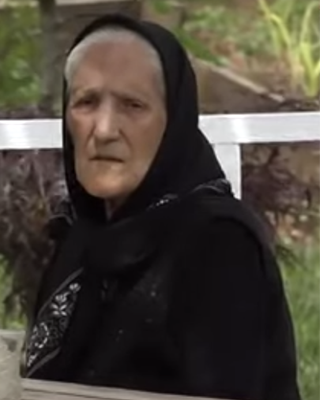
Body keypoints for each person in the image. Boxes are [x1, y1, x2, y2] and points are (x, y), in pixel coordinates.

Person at [24, 14, 301, 400]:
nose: (103, 130)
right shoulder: (81, 234)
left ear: (174, 122)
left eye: (133, 105)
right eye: (86, 102)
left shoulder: (218, 243)